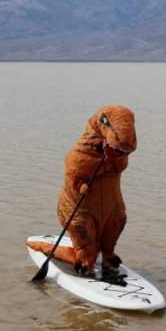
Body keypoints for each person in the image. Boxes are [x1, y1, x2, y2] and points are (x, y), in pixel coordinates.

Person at [27, 105, 137, 278]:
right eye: (118, 150)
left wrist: (115, 154)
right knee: (84, 233)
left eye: (123, 151)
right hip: (81, 207)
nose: (120, 154)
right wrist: (80, 185)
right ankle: (83, 260)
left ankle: (108, 256)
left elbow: (122, 156)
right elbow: (72, 172)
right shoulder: (81, 152)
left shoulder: (119, 154)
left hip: (111, 204)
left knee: (117, 222)